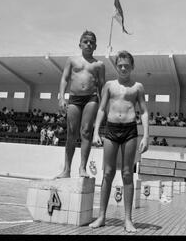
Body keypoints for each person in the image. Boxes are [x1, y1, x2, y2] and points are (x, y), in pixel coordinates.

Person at [88, 50, 149, 232]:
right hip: (111, 129)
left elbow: (144, 111)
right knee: (107, 173)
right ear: (116, 66)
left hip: (130, 129)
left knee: (128, 173)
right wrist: (95, 132)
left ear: (132, 67)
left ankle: (128, 220)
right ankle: (101, 216)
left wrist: (146, 135)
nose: (123, 68)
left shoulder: (137, 87)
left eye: (126, 65)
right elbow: (101, 109)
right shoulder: (109, 85)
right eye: (120, 65)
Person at [54, 31, 105, 178]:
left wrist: (103, 107)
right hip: (74, 98)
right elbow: (64, 78)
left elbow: (101, 86)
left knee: (86, 132)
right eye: (86, 41)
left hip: (91, 98)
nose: (88, 44)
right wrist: (61, 97)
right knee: (71, 132)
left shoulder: (99, 65)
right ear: (80, 44)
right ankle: (67, 169)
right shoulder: (72, 60)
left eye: (91, 42)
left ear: (95, 46)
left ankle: (82, 168)